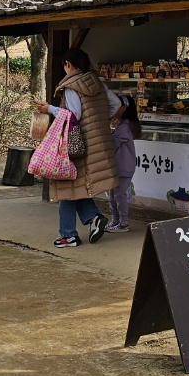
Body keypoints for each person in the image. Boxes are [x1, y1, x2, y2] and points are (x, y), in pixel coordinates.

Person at [33, 47, 119, 248]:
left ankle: (68, 235)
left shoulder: (72, 86)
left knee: (65, 187)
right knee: (75, 187)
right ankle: (93, 218)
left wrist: (49, 109)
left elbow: (72, 115)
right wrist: (97, 122)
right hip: (96, 143)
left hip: (75, 145)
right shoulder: (97, 83)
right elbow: (116, 105)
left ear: (68, 65)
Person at [107, 95, 141, 233]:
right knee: (113, 195)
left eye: (116, 106)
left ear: (124, 108)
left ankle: (123, 222)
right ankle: (116, 220)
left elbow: (112, 145)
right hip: (119, 166)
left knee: (119, 195)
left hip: (123, 167)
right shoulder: (122, 124)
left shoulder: (124, 127)